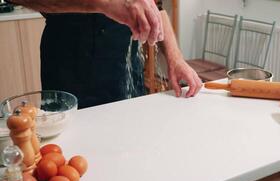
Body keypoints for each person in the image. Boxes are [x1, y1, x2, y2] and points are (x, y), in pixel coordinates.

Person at [7, 0, 202, 108]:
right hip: (69, 65)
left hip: (125, 68)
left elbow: (155, 9)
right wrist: (105, 3)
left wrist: (176, 60)